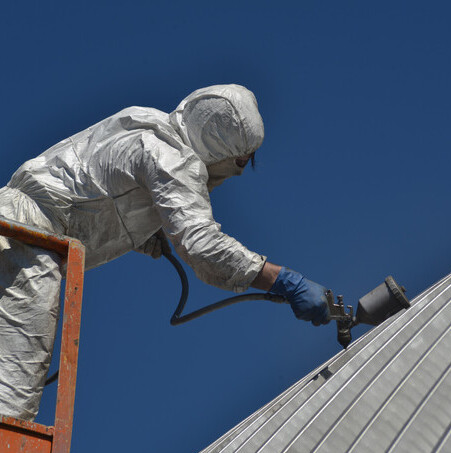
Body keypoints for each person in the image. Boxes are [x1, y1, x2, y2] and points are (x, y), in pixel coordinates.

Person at [0, 84, 330, 421]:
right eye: (239, 161)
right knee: (12, 398)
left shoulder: (141, 122)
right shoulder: (174, 159)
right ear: (218, 147)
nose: (238, 171)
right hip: (28, 245)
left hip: (8, 221)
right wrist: (283, 281)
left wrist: (142, 229)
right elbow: (201, 244)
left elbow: (94, 190)